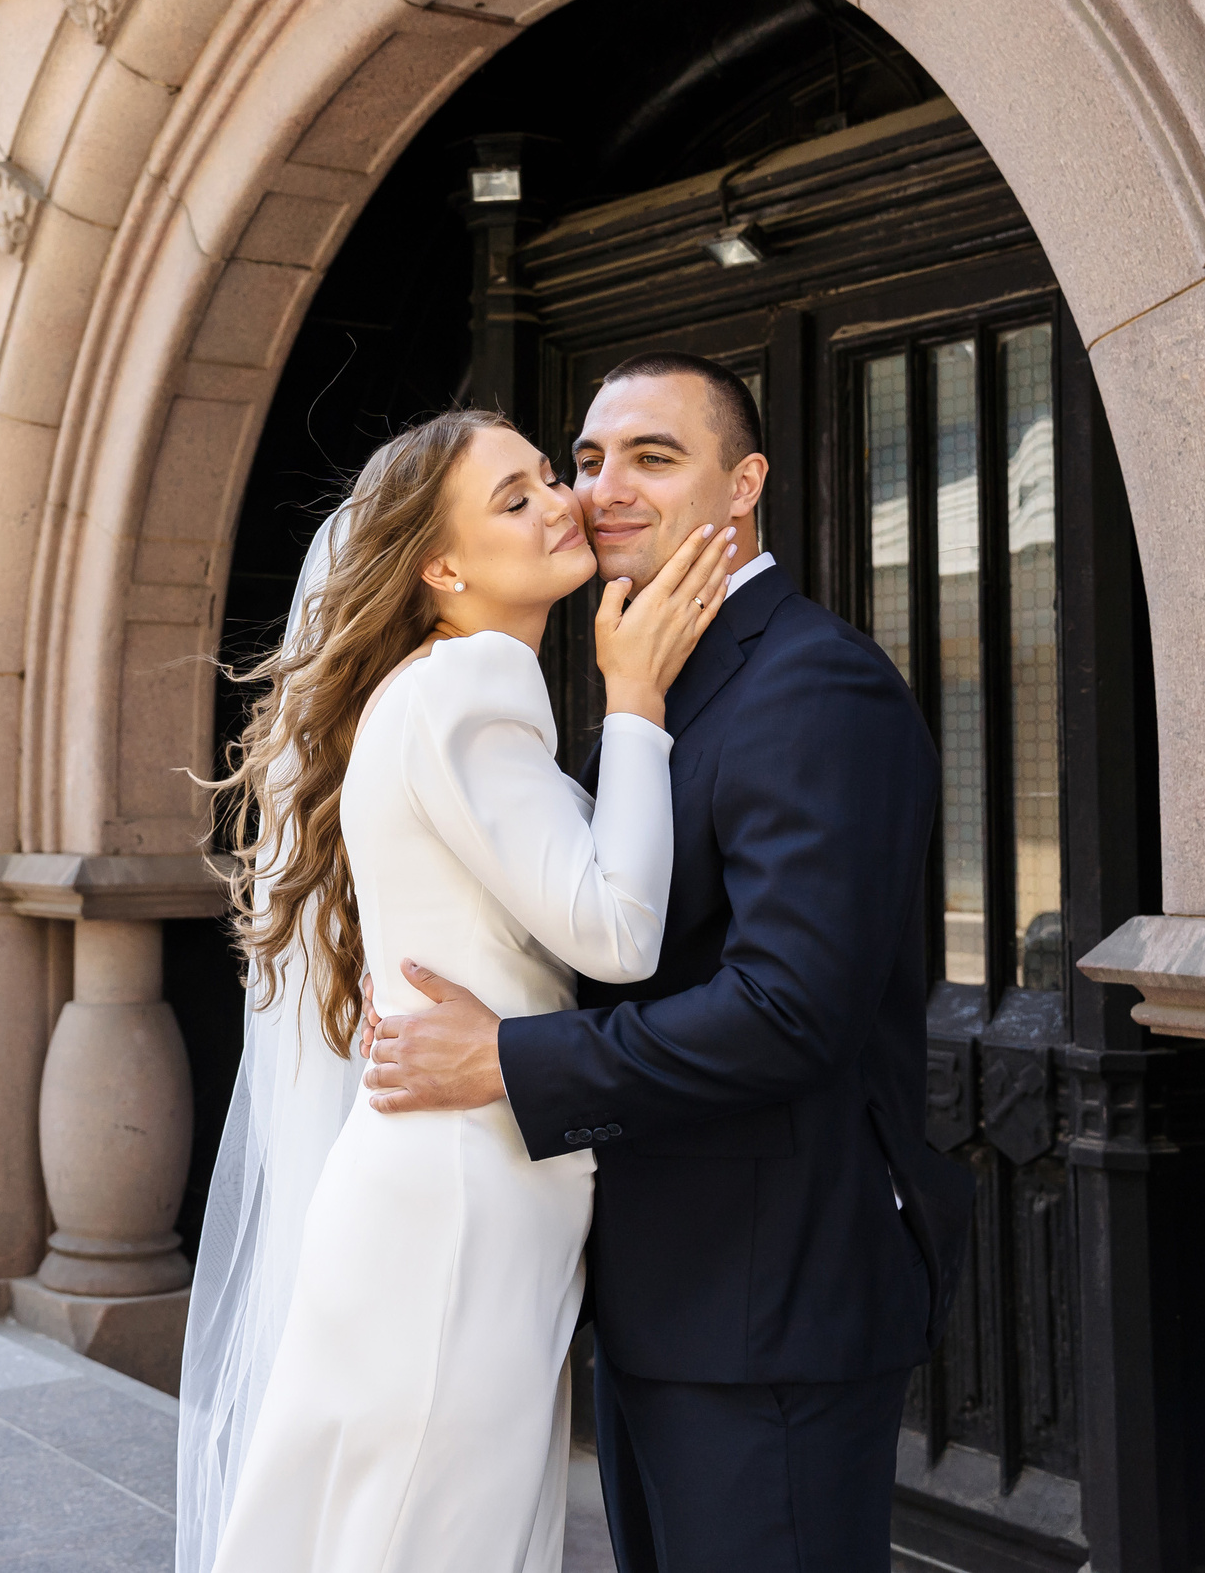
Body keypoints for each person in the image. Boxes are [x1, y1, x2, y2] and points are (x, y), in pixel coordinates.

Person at [365, 353, 973, 1573]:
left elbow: (786, 1009)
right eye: (586, 461)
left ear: (744, 483)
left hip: (771, 1302)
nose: (603, 488)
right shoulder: (642, 685)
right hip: (658, 1291)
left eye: (654, 456)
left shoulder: (815, 683)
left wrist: (507, 1059)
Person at [179, 407, 735, 1572]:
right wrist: (635, 703)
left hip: (444, 1193)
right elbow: (619, 932)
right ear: (440, 566)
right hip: (457, 1212)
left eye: (549, 478)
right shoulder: (473, 682)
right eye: (516, 498)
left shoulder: (428, 690)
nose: (562, 504)